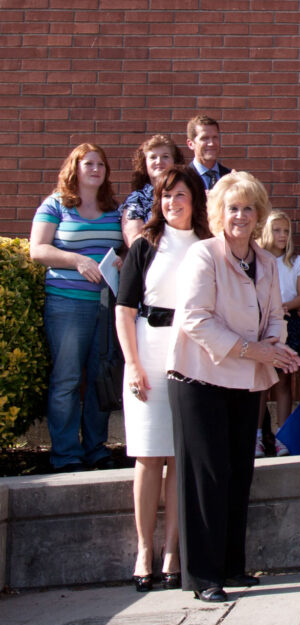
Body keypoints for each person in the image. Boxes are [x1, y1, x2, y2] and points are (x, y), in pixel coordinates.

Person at [167, 171, 300, 603]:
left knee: (238, 472)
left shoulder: (266, 261)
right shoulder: (203, 256)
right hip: (199, 378)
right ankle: (203, 576)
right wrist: (254, 351)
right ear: (218, 214)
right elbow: (195, 318)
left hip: (246, 381)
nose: (240, 216)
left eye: (247, 208)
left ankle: (232, 567)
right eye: (232, 208)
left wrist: (277, 348)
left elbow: (277, 315)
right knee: (206, 475)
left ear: (258, 214)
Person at [115, 168, 210, 592]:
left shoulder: (209, 245)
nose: (173, 202)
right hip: (148, 351)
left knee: (178, 457)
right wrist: (132, 364)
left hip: (190, 353)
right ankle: (143, 549)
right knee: (149, 456)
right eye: (166, 195)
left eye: (181, 195)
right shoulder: (145, 245)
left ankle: (172, 550)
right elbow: (124, 309)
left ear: (195, 199)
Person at [30, 143, 123, 473]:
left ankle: (96, 448)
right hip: (67, 305)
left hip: (105, 307)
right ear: (75, 168)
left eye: (101, 164)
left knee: (101, 379)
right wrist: (77, 260)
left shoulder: (114, 208)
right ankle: (66, 453)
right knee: (67, 379)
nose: (96, 169)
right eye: (89, 164)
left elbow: (125, 247)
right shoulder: (55, 205)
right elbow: (37, 249)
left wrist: (122, 260)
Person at [254, 210, 300, 457]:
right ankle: (257, 436)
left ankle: (282, 436)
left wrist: (287, 306)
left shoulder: (294, 260)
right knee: (261, 381)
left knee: (285, 379)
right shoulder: (257, 258)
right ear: (266, 231)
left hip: (289, 322)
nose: (282, 235)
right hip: (262, 325)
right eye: (277, 230)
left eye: (286, 231)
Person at [121, 135, 185, 247]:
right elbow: (134, 241)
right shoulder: (137, 199)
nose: (159, 161)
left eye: (165, 156)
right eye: (153, 157)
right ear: (144, 163)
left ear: (175, 162)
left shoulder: (187, 194)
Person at [186, 115, 232, 191]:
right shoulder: (183, 178)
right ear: (190, 144)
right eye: (204, 138)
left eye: (215, 137)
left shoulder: (230, 177)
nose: (211, 143)